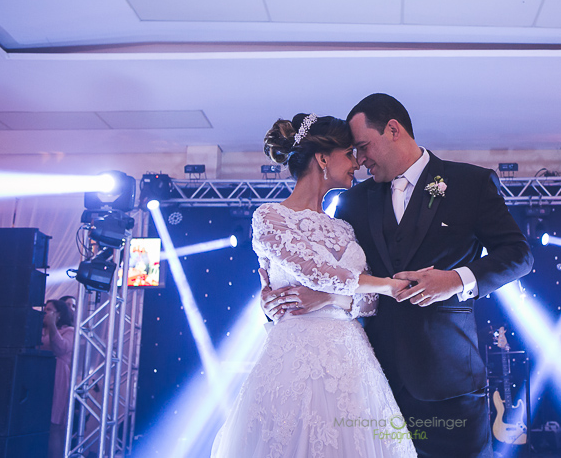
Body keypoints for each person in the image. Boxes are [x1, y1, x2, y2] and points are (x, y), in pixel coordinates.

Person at [264, 94, 533, 457]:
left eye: (362, 146)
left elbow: (519, 255)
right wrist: (277, 295)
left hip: (449, 382)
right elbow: (336, 275)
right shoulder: (354, 201)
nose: (359, 160)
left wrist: (456, 280)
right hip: (372, 383)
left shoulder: (470, 183)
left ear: (393, 130)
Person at [212, 113, 417, 458]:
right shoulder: (270, 217)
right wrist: (385, 284)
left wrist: (328, 298)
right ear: (323, 158)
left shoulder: (344, 229)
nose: (357, 163)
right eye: (349, 154)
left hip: (351, 361)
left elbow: (368, 304)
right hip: (296, 360)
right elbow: (317, 272)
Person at [41, 299, 75, 458]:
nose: (45, 313)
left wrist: (52, 325)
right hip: (39, 373)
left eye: (49, 310)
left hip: (57, 375)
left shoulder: (69, 331)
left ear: (59, 314)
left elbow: (61, 348)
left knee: (53, 425)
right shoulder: (39, 330)